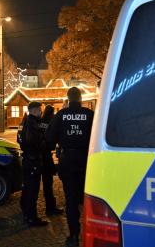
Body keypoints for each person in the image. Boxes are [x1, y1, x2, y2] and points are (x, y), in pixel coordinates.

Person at [46, 87, 94, 247]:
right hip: (87, 160)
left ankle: (74, 235)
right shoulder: (89, 114)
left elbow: (50, 139)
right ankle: (91, 232)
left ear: (68, 99)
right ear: (80, 99)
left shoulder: (61, 115)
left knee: (71, 199)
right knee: (88, 197)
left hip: (67, 160)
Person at [18, 101, 48, 227]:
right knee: (32, 190)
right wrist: (43, 144)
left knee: (26, 189)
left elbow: (19, 139)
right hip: (33, 160)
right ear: (35, 110)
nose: (41, 112)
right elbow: (34, 141)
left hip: (27, 159)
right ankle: (32, 218)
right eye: (40, 110)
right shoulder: (32, 124)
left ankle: (26, 212)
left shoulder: (23, 121)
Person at [39, 105, 64, 216]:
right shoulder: (51, 123)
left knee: (37, 185)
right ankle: (50, 208)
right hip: (46, 156)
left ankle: (32, 209)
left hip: (38, 156)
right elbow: (54, 139)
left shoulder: (39, 122)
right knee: (48, 184)